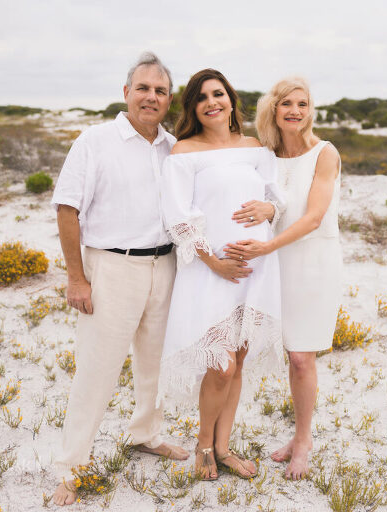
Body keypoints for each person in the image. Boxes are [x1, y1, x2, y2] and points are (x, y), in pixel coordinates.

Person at [50, 52, 187, 506]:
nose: (151, 97)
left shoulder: (174, 148)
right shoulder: (95, 140)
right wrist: (77, 277)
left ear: (169, 100)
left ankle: (145, 433)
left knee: (155, 363)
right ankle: (71, 467)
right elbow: (67, 208)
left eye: (160, 91)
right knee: (96, 370)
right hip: (111, 267)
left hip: (165, 266)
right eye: (143, 88)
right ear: (126, 93)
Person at [157, 69, 285, 481]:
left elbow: (276, 199)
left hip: (256, 269)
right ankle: (203, 445)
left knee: (240, 359)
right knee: (221, 364)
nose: (212, 102)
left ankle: (223, 446)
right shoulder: (184, 152)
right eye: (202, 97)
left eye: (219, 94)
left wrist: (271, 210)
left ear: (231, 100)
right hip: (211, 272)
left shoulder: (257, 149)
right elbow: (178, 217)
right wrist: (214, 261)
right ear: (193, 107)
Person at [224, 77, 342, 480]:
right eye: (287, 103)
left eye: (303, 104)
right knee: (290, 355)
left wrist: (266, 248)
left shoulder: (325, 153)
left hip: (312, 262)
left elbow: (312, 218)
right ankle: (297, 437)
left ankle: (303, 440)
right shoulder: (266, 155)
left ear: (311, 110)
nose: (295, 110)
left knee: (302, 357)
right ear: (273, 109)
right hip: (274, 265)